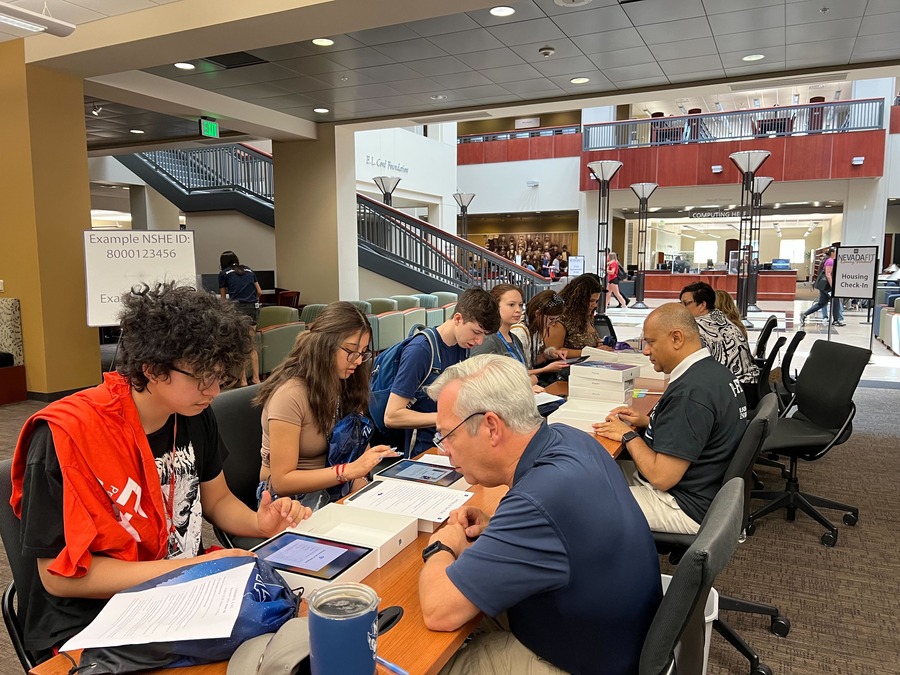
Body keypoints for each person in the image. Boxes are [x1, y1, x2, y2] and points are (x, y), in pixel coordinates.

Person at [10, 284, 311, 659]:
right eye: (202, 376)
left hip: (179, 593)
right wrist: (193, 568)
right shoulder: (65, 436)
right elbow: (57, 576)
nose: (215, 390)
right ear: (151, 370)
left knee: (292, 640)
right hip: (92, 620)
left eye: (221, 376)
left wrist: (259, 524)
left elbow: (216, 500)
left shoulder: (193, 414)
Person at [419, 355, 661, 674]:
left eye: (448, 435)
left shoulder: (537, 501)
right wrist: (500, 531)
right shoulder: (571, 438)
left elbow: (439, 611)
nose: (445, 449)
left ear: (491, 427)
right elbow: (563, 532)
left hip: (583, 662)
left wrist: (442, 546)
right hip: (616, 638)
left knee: (426, 663)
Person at [594, 303, 748, 534]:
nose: (645, 351)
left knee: (584, 500)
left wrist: (627, 435)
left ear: (676, 338)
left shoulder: (690, 393)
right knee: (593, 470)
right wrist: (649, 422)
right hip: (703, 485)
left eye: (651, 342)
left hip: (683, 504)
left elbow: (661, 477)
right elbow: (699, 430)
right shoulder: (713, 372)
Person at [254, 302, 401, 511]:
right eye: (351, 351)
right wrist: (349, 472)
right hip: (289, 503)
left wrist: (364, 485)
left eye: (363, 352)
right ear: (324, 345)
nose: (358, 361)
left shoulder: (346, 383)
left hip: (334, 489)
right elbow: (282, 482)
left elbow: (356, 451)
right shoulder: (290, 395)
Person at [384, 287, 499, 457]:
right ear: (458, 319)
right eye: (476, 332)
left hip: (446, 442)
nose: (479, 341)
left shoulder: (462, 345)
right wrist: (444, 418)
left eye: (484, 335)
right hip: (422, 450)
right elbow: (392, 416)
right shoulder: (420, 351)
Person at [680, 281, 759, 389]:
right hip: (749, 384)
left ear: (702, 305)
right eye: (681, 304)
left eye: (686, 303)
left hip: (733, 390)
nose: (682, 309)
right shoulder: (720, 317)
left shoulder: (698, 326)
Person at [218, 251, 262, 385]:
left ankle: (243, 381)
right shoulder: (248, 270)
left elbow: (224, 299)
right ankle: (256, 378)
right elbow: (259, 291)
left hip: (237, 309)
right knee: (251, 344)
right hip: (253, 309)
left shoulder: (224, 273)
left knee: (240, 345)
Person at [510, 290, 570, 385]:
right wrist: (545, 369)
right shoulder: (519, 333)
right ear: (537, 314)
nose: (553, 323)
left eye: (556, 320)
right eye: (551, 319)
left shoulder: (535, 328)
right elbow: (515, 373)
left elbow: (531, 361)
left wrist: (548, 354)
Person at [546, 273, 603, 357]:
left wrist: (599, 346)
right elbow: (554, 352)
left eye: (596, 301)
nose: (594, 305)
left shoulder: (586, 316)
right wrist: (593, 352)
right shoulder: (560, 319)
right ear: (579, 299)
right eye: (591, 301)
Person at [800, 248, 845, 327]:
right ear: (832, 253)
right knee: (836, 301)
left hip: (823, 286)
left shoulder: (827, 260)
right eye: (836, 252)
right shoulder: (830, 261)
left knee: (822, 303)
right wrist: (832, 286)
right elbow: (828, 274)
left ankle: (804, 314)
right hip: (827, 286)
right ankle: (836, 320)